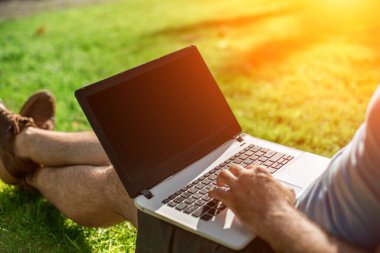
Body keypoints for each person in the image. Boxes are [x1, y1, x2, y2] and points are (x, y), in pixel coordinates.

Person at [0, 88, 379, 253]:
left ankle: (24, 161)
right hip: (306, 196)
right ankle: (23, 146)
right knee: (159, 151)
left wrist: (276, 214)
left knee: (128, 184)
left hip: (270, 240)